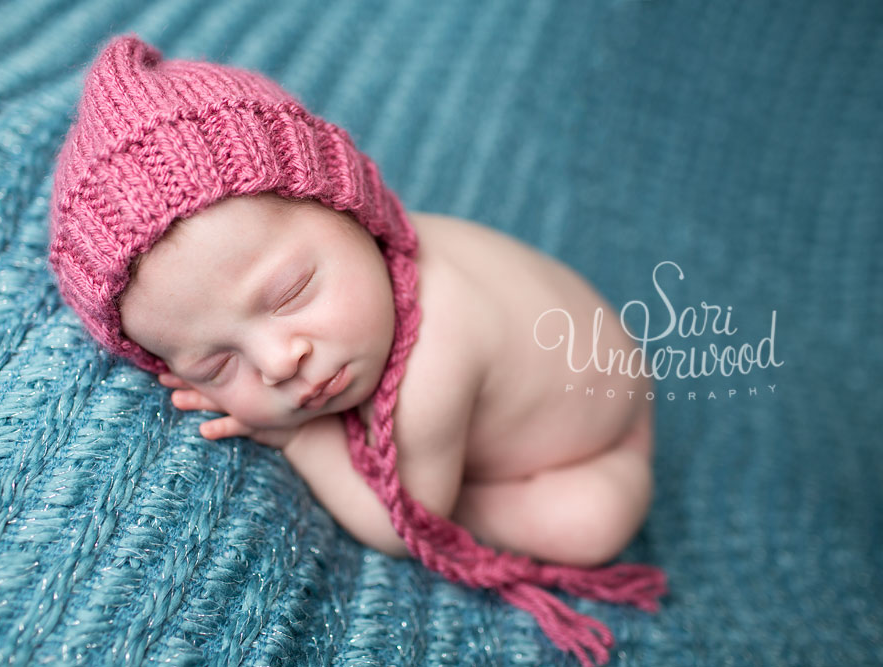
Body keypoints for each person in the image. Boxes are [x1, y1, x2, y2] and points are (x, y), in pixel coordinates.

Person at [49, 34, 665, 667]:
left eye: (291, 293)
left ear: (359, 213)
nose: (278, 360)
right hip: (562, 356)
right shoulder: (358, 274)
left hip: (597, 434)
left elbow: (403, 525)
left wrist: (304, 441)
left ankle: (485, 482)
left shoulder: (436, 355)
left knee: (593, 521)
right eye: (217, 364)